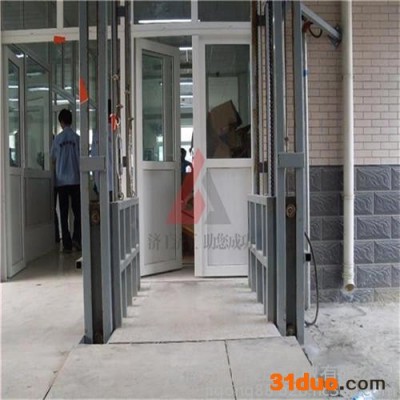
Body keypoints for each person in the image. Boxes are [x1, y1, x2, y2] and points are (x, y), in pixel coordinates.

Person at [50, 109, 81, 253]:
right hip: (75, 180)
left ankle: (67, 245)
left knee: (63, 213)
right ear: (71, 121)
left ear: (61, 122)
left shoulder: (57, 139)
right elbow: (81, 159)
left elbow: (53, 158)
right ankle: (77, 239)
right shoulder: (77, 138)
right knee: (77, 212)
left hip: (61, 181)